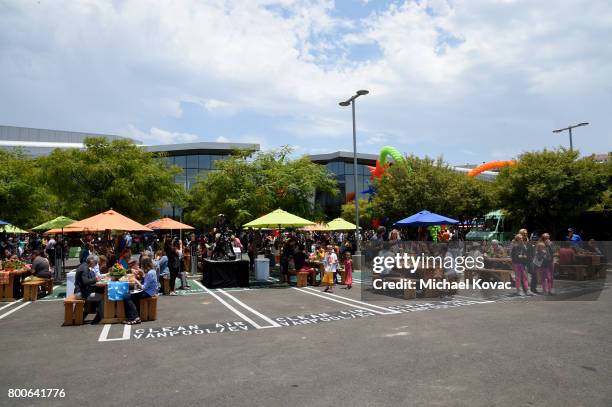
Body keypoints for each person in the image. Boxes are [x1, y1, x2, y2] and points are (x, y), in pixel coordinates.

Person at [123, 257, 158, 325]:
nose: (141, 266)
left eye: (142, 265)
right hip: (150, 291)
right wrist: (142, 274)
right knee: (132, 295)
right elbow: (147, 281)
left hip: (148, 292)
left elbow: (143, 287)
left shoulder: (150, 273)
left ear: (145, 265)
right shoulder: (152, 271)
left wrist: (135, 280)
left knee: (126, 296)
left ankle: (135, 317)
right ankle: (134, 316)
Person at [74, 255, 104, 324]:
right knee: (102, 297)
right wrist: (95, 279)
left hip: (81, 291)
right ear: (91, 261)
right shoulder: (84, 268)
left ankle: (99, 315)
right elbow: (85, 282)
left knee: (99, 292)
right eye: (95, 263)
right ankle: (101, 317)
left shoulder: (84, 266)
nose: (96, 264)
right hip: (80, 293)